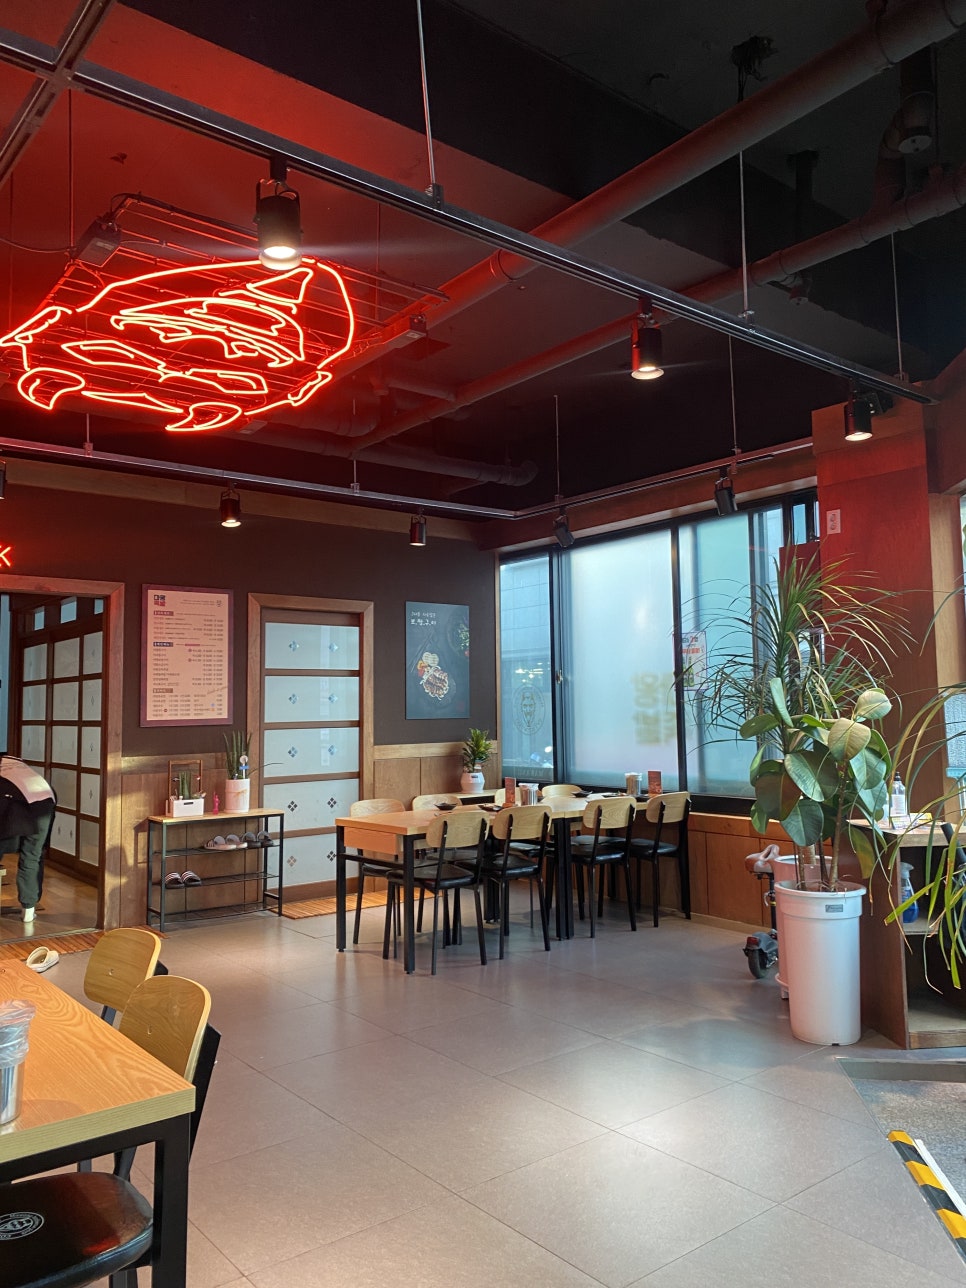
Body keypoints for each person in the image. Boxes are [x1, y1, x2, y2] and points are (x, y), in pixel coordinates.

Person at [0, 755, 56, 922]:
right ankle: (29, 910)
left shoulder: (3, 771)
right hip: (45, 802)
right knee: (32, 855)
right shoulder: (24, 768)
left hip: (14, 805)